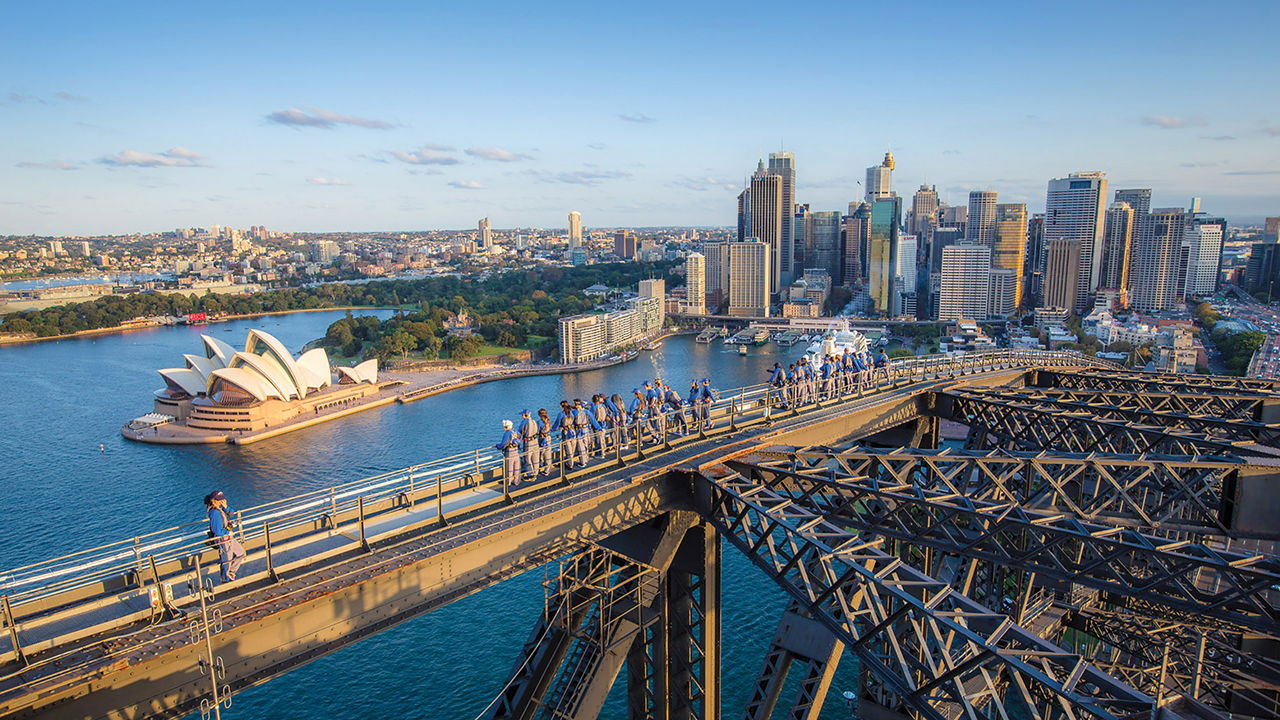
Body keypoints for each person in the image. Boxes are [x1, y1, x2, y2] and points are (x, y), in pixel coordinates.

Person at [205, 491, 246, 583]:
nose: (221, 501)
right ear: (213, 501)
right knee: (227, 559)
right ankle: (226, 579)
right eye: (219, 500)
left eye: (222, 499)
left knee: (240, 552)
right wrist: (227, 532)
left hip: (228, 537)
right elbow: (217, 531)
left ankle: (231, 573)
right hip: (223, 539)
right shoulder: (214, 513)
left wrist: (226, 507)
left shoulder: (220, 509)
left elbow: (231, 513)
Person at [494, 419, 522, 486]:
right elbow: (520, 437)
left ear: (505, 426)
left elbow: (503, 444)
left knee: (509, 467)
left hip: (509, 451)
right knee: (516, 466)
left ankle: (508, 482)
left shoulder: (507, 433)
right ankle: (516, 481)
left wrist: (497, 446)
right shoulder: (515, 431)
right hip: (516, 450)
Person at [551, 401, 576, 472]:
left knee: (568, 449)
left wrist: (552, 429)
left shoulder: (561, 414)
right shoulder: (572, 413)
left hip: (566, 433)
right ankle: (570, 462)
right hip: (573, 431)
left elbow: (556, 423)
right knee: (573, 448)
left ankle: (570, 464)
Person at [517, 409, 540, 480]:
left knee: (527, 458)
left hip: (528, 442)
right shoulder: (534, 421)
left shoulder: (525, 422)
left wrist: (518, 442)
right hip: (535, 441)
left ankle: (530, 474)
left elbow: (520, 432)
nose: (521, 416)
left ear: (525, 415)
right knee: (535, 458)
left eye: (522, 414)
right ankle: (536, 473)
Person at [571, 399, 594, 466]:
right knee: (586, 444)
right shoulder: (587, 411)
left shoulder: (574, 412)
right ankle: (586, 459)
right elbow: (593, 420)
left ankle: (583, 462)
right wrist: (599, 428)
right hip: (586, 429)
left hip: (579, 430)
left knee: (581, 446)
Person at [535, 408, 553, 476]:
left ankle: (541, 466)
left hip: (542, 439)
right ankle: (547, 469)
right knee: (548, 454)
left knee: (541, 453)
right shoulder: (548, 420)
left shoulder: (539, 422)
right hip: (548, 437)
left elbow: (537, 431)